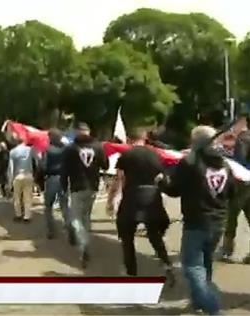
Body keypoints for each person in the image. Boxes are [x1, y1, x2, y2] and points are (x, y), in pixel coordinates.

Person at [159, 125, 235, 315]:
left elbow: (174, 190)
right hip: (218, 221)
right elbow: (231, 192)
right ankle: (198, 302)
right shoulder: (224, 164)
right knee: (205, 263)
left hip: (197, 222)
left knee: (192, 266)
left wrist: (161, 181)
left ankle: (212, 306)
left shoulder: (190, 163)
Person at [107, 128, 174, 281]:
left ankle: (131, 272)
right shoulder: (155, 154)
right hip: (152, 197)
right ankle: (166, 263)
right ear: (145, 139)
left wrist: (111, 200)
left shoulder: (126, 155)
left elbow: (119, 179)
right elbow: (161, 177)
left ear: (130, 140)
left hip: (132, 197)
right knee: (154, 235)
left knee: (127, 237)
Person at [60, 122, 109, 268]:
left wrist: (63, 186)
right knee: (86, 216)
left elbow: (64, 170)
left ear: (77, 132)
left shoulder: (70, 149)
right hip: (92, 186)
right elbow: (105, 165)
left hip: (77, 186)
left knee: (75, 218)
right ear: (89, 131)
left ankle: (84, 244)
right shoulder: (97, 146)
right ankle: (85, 241)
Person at [219, 114, 250, 264]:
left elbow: (240, 161)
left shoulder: (243, 139)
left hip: (242, 183)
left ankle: (227, 250)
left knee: (231, 215)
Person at [42, 128, 69, 240]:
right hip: (64, 178)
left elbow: (43, 165)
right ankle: (69, 226)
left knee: (48, 206)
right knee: (64, 205)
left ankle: (51, 231)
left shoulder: (47, 150)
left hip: (51, 178)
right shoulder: (66, 149)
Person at [8, 138, 37, 222]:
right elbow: (36, 160)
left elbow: (11, 167)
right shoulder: (30, 150)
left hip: (17, 176)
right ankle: (27, 216)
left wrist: (10, 180)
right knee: (27, 196)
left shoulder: (13, 152)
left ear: (16, 142)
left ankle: (18, 214)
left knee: (17, 196)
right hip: (28, 174)